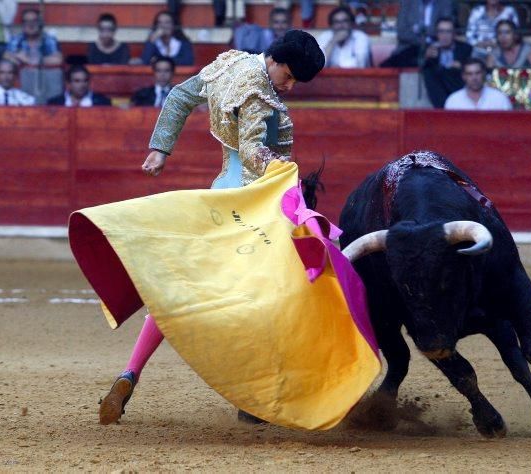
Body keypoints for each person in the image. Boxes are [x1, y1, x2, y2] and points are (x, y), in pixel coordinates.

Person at [97, 30, 325, 426]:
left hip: (219, 195)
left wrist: (160, 148)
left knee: (180, 291)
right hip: (253, 206)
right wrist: (289, 176)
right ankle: (253, 399)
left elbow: (180, 97)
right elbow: (254, 151)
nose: (288, 86)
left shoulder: (230, 63)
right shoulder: (259, 91)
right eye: (288, 76)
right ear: (274, 60)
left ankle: (129, 373)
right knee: (278, 294)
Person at [420, 17, 472, 108]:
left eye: (448, 32)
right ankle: (443, 108)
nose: (445, 36)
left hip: (459, 86)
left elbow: (474, 67)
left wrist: (462, 66)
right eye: (441, 31)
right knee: (429, 72)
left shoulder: (465, 49)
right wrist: (426, 58)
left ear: (454, 34)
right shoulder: (430, 49)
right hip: (439, 91)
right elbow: (417, 65)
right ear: (437, 34)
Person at [444, 58, 512, 111]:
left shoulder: (499, 98)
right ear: (463, 76)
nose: (474, 78)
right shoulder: (453, 100)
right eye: (469, 74)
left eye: (478, 73)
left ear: (484, 74)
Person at [47, 64, 112, 107]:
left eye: (85, 80)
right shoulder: (54, 104)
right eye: (77, 81)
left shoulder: (103, 103)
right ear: (68, 84)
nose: (82, 85)